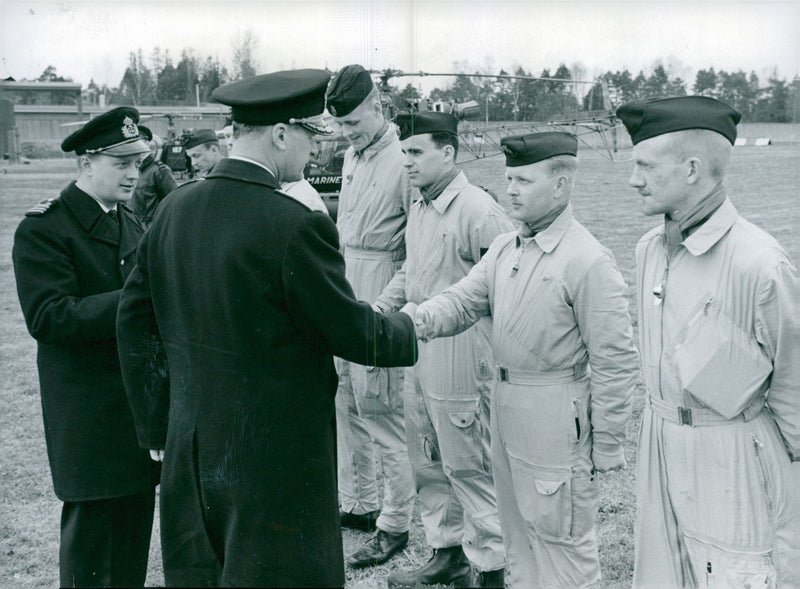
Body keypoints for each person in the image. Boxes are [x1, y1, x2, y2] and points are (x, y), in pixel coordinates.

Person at [116, 69, 419, 588]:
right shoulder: (296, 224)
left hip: (190, 451)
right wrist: (416, 326)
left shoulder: (172, 209)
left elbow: (133, 323)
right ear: (281, 134)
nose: (316, 153)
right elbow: (349, 331)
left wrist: (156, 424)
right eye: (310, 136)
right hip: (274, 460)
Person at [412, 132, 640, 588]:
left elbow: (616, 362)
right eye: (508, 179)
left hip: (556, 415)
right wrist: (413, 322)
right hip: (507, 408)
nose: (510, 189)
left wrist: (609, 442)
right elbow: (462, 300)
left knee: (563, 544)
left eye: (523, 180)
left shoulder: (588, 260)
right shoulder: (505, 248)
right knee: (518, 539)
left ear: (560, 186)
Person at [616, 95, 799, 587]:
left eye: (644, 166)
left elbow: (795, 395)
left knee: (737, 573)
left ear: (693, 168)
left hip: (734, 457)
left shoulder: (760, 264)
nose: (633, 180)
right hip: (661, 445)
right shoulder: (648, 250)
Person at [12, 106, 159, 587]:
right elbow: (50, 317)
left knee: (134, 534)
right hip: (89, 415)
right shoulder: (44, 229)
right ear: (86, 164)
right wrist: (134, 300)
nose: (133, 174)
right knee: (93, 544)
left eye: (137, 163)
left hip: (133, 409)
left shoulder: (131, 222)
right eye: (121, 164)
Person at [372, 112, 512, 587]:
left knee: (469, 462)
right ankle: (447, 553)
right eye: (403, 152)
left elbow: (504, 284)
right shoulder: (420, 204)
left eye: (416, 152)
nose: (406, 162)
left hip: (463, 350)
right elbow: (412, 273)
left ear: (448, 152)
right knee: (427, 458)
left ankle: (491, 568)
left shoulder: (478, 209)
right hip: (420, 344)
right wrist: (376, 312)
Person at [325, 64, 416, 564]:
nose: (346, 133)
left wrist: (384, 308)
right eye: (340, 126)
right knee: (345, 402)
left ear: (378, 109)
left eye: (354, 124)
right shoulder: (353, 158)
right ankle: (358, 503)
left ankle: (395, 523)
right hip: (346, 287)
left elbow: (414, 253)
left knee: (382, 412)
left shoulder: (405, 161)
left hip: (381, 289)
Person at [130, 124, 178, 228]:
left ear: (146, 143)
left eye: (137, 141)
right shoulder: (129, 169)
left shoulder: (160, 171)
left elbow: (174, 203)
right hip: (131, 225)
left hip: (151, 228)